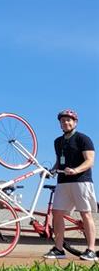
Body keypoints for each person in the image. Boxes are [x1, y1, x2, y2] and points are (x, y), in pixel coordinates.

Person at [43, 109, 96, 261]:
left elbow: (90, 161)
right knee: (57, 213)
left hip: (81, 181)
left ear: (75, 122)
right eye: (62, 121)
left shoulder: (83, 139)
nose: (65, 122)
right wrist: (51, 171)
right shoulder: (57, 142)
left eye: (69, 120)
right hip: (63, 182)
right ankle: (59, 249)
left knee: (85, 213)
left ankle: (91, 250)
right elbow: (59, 160)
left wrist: (76, 170)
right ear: (59, 123)